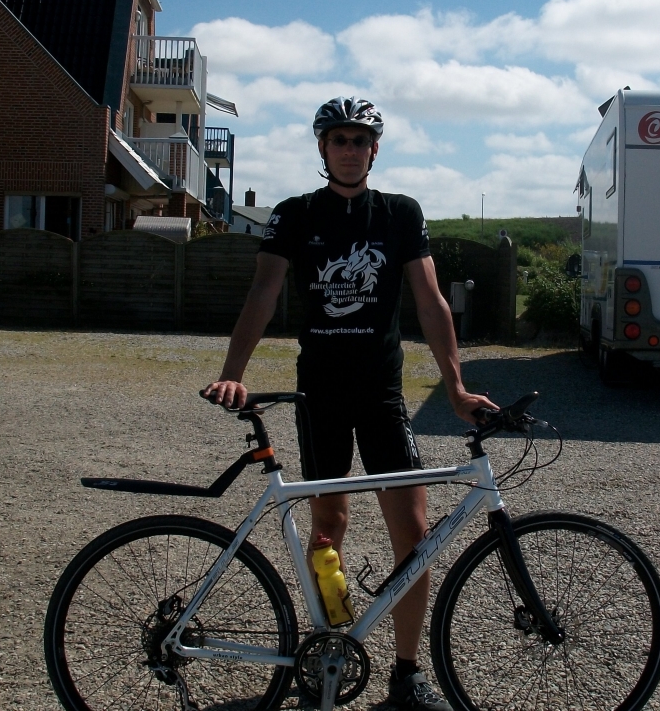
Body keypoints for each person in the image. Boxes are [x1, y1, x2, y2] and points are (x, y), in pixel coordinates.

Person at [204, 96, 497, 711]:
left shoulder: (398, 214)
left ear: (374, 150)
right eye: (338, 140)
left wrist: (456, 387)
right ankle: (325, 656)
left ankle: (408, 674)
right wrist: (233, 372)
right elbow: (264, 289)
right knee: (329, 525)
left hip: (382, 394)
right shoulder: (295, 214)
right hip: (323, 396)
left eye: (360, 140)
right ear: (322, 149)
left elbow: (430, 302)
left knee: (412, 534)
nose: (349, 149)